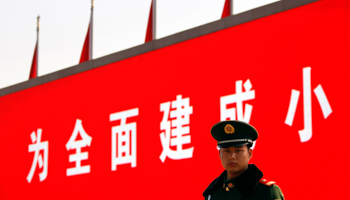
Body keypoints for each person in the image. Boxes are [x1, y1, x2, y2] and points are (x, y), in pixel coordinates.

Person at [203, 120, 284, 200]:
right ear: (219, 154)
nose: (232, 156)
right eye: (226, 150)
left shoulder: (265, 191)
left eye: (238, 150)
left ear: (249, 153)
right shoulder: (213, 192)